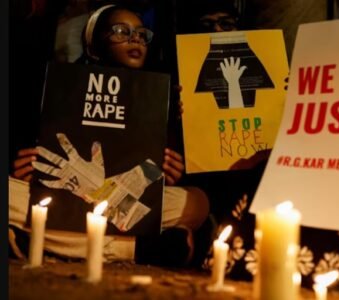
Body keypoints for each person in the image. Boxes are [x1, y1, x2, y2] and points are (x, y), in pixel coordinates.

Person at [9, 4, 209, 268]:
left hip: (120, 201)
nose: (135, 38)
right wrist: (25, 168)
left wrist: (167, 169)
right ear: (93, 44)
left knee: (196, 203)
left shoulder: (158, 97)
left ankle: (30, 241)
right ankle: (138, 251)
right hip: (65, 200)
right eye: (120, 31)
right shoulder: (60, 85)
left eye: (141, 33)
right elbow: (38, 153)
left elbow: (152, 181)